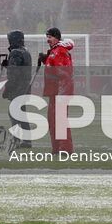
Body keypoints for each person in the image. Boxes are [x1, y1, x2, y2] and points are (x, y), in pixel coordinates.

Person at [38, 27, 75, 155]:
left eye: (50, 37)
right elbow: (54, 68)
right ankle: (57, 149)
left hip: (60, 92)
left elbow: (64, 74)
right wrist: (45, 59)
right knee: (53, 121)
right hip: (54, 92)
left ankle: (65, 149)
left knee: (60, 121)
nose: (48, 40)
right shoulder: (54, 52)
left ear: (56, 37)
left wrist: (62, 94)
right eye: (47, 37)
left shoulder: (60, 51)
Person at [0, 31, 33, 147]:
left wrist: (7, 88)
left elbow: (14, 73)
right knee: (22, 114)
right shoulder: (25, 51)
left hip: (17, 88)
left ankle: (17, 139)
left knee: (14, 113)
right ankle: (27, 140)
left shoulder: (15, 52)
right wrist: (8, 64)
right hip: (25, 87)